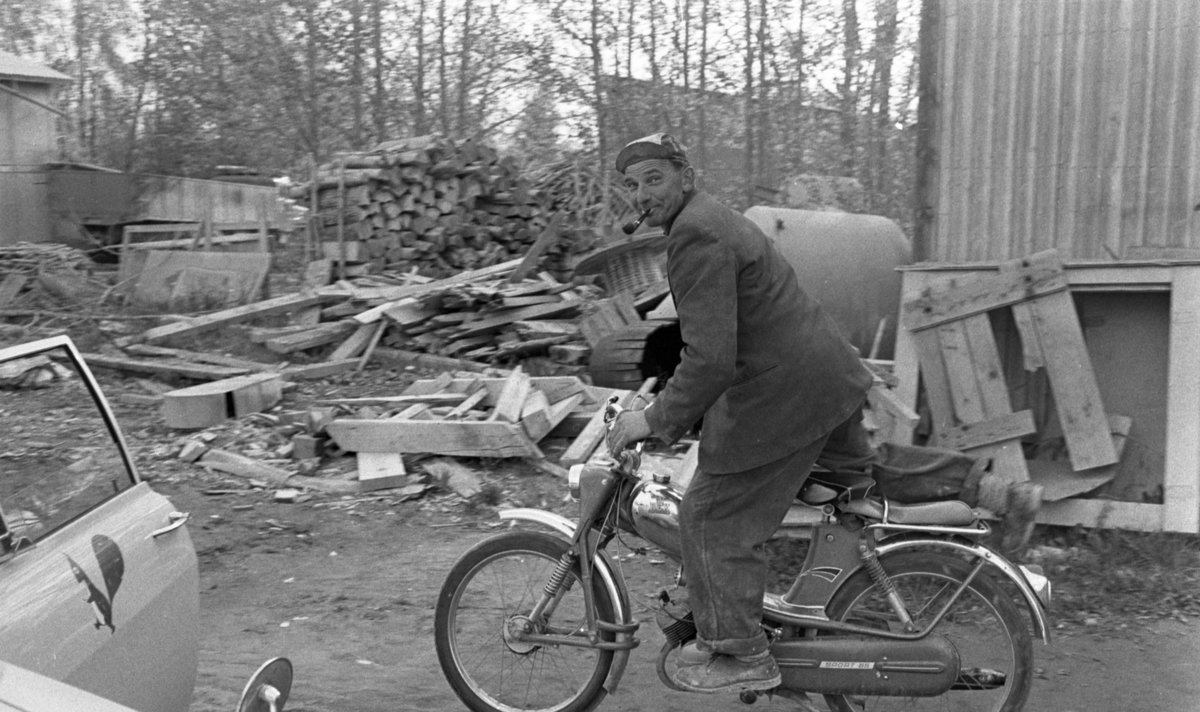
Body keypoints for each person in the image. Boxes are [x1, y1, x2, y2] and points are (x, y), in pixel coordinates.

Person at [605, 132, 874, 694]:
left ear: (686, 177)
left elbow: (709, 359)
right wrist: (672, 410)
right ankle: (989, 490)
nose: (642, 194)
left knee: (710, 516)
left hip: (787, 390)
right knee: (860, 485)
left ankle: (741, 652)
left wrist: (652, 421)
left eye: (654, 179)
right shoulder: (711, 219)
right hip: (823, 376)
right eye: (631, 185)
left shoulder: (695, 233)